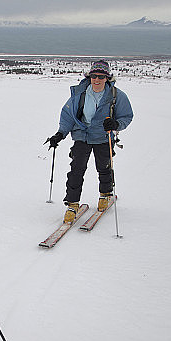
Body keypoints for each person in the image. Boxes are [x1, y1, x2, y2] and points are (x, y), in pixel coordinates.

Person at [45, 60, 133, 222]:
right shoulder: (80, 93)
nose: (96, 80)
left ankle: (105, 195)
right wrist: (60, 134)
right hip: (82, 136)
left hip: (103, 137)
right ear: (89, 77)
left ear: (107, 78)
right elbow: (68, 116)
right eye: (93, 76)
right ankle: (72, 204)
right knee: (76, 170)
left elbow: (126, 116)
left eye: (101, 76)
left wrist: (116, 124)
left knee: (104, 167)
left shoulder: (116, 95)